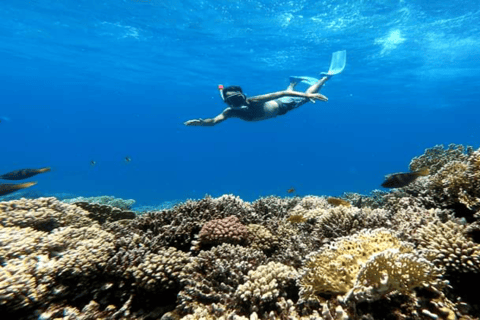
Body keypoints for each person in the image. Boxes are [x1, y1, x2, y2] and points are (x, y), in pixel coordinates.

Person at [183, 77, 330, 127]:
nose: (236, 102)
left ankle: (324, 78)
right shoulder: (230, 112)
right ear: (227, 102)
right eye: (232, 100)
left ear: (243, 96)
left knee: (308, 95)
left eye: (238, 98)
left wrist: (307, 96)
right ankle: (292, 83)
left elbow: (283, 94)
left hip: (283, 105)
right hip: (279, 105)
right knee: (291, 94)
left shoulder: (254, 100)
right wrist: (202, 123)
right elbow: (214, 121)